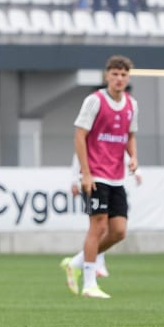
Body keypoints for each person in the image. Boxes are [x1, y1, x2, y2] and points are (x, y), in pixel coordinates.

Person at [59, 55, 138, 299]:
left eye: (123, 75)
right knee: (98, 225)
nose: (119, 79)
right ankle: (89, 284)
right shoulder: (94, 101)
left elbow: (130, 135)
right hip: (96, 175)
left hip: (117, 176)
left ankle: (77, 263)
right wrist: (84, 173)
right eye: (115, 74)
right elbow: (79, 136)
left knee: (119, 231)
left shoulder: (132, 105)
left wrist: (133, 157)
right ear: (107, 76)